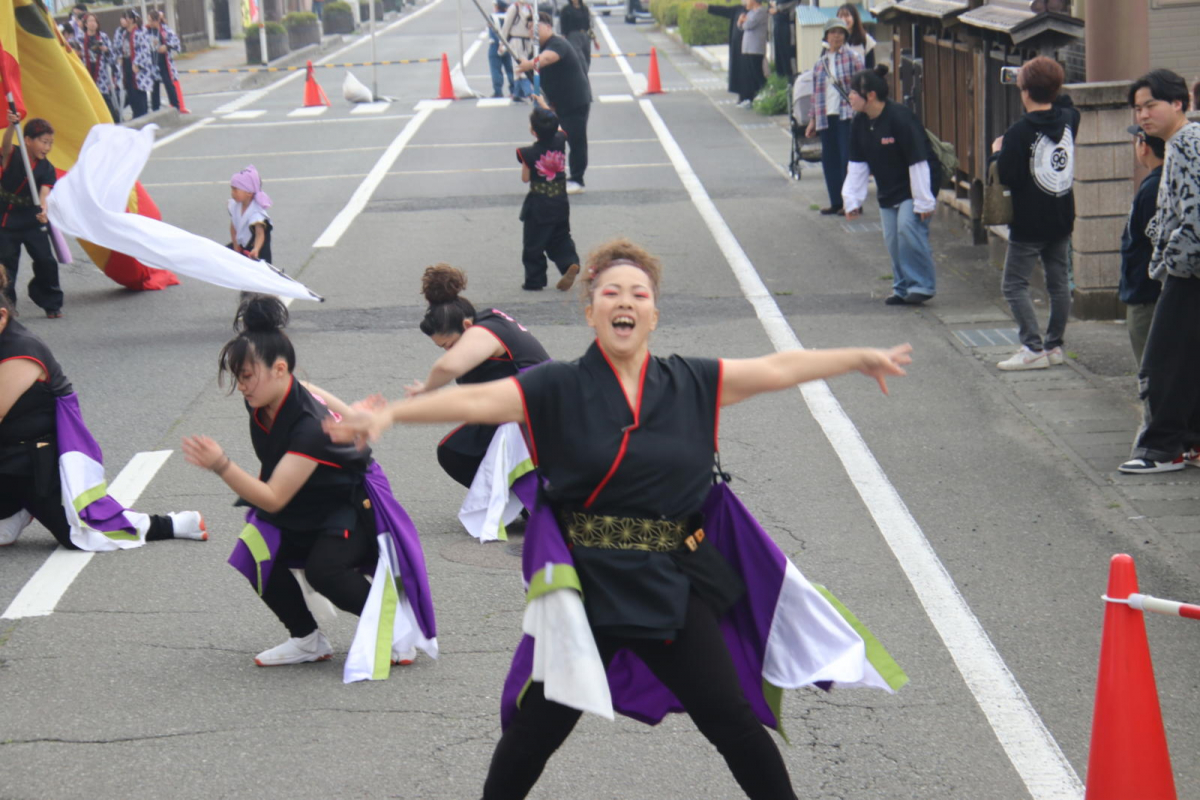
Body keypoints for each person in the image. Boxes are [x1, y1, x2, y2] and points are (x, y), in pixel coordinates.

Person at [326, 239, 912, 800]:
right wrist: (392, 416)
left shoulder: (693, 382)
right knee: (536, 731)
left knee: (731, 721)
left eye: (638, 292)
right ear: (591, 312)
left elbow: (777, 368)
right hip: (588, 592)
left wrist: (857, 358)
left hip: (674, 589)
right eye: (610, 292)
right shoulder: (557, 386)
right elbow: (476, 401)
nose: (625, 301)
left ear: (654, 313)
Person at [181, 295, 436, 668]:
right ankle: (306, 640)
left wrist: (222, 464)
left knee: (325, 571)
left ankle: (395, 627)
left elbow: (272, 498)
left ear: (279, 369)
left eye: (247, 376)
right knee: (255, 549)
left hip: (346, 504)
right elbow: (313, 387)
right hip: (307, 499)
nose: (242, 386)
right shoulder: (268, 395)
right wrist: (352, 415)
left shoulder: (308, 429)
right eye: (239, 377)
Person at [0, 270, 206, 550]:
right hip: (8, 457)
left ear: (2, 316)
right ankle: (14, 511)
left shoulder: (21, 351)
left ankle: (177, 524)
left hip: (36, 463)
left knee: (86, 532)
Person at [1119, 69, 1200, 474]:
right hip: (1189, 268)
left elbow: (1194, 214)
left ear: (1179, 103)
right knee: (1188, 359)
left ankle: (1162, 449)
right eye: (1138, 107)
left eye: (1151, 105)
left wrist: (1172, 261)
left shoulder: (1186, 142)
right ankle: (1189, 443)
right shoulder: (1184, 141)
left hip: (1190, 272)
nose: (1144, 115)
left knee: (1163, 360)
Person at [410, 264, 550, 488]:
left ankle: (521, 502)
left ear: (466, 325)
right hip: (525, 404)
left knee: (455, 451)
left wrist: (428, 388)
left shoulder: (481, 332)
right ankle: (514, 502)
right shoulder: (489, 318)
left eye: (449, 344)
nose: (449, 350)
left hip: (538, 410)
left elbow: (447, 368)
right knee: (462, 446)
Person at [991, 56, 1079, 371]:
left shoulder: (1018, 132)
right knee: (1058, 283)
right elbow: (1067, 102)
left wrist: (998, 151)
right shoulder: (1069, 119)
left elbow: (1008, 174)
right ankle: (1054, 345)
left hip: (1029, 221)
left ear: (1025, 91)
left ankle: (1032, 347)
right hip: (1061, 214)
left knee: (1014, 284)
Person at [842, 65, 937, 306]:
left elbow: (918, 160)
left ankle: (922, 285)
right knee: (892, 239)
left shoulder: (900, 117)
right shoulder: (859, 122)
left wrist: (924, 200)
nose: (850, 96)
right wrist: (852, 201)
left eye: (854, 92)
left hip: (914, 186)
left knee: (908, 228)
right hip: (887, 187)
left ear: (870, 95)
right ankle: (902, 288)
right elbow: (857, 163)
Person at [515, 13, 592, 195]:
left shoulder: (557, 43)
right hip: (557, 103)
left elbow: (547, 59)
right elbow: (537, 77)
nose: (532, 32)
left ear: (548, 27)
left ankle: (577, 179)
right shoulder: (536, 51)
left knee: (576, 139)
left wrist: (530, 64)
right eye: (529, 29)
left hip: (575, 100)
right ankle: (553, 176)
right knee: (554, 140)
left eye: (536, 27)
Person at [0, 115, 63, 319]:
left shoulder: (47, 168)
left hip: (31, 219)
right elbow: (6, 145)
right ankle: (7, 307)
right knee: (6, 265)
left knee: (46, 261)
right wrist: (12, 125)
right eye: (44, 142)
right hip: (6, 218)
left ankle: (50, 302)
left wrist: (44, 210)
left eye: (50, 143)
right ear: (28, 140)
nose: (47, 147)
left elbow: (44, 195)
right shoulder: (13, 154)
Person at [516, 102, 581, 291]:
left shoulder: (528, 153)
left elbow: (525, 178)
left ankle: (534, 280)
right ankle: (569, 262)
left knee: (533, 243)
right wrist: (543, 104)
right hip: (560, 200)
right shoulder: (560, 140)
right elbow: (558, 125)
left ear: (533, 131)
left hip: (539, 204)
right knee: (561, 236)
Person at [806, 17, 863, 215]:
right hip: (825, 115)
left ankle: (852, 203)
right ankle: (836, 202)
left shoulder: (853, 58)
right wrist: (812, 120)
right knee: (829, 160)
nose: (836, 36)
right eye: (833, 32)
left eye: (840, 32)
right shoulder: (820, 64)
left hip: (846, 115)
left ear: (845, 36)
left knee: (847, 158)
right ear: (826, 36)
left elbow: (862, 85)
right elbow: (815, 94)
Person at [1118, 125, 1164, 367]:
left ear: (1144, 147)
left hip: (1148, 297)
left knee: (1152, 374)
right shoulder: (1163, 183)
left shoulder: (1153, 189)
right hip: (1152, 295)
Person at [696, 0, 746, 100]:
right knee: (737, 71)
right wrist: (708, 7)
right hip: (736, 46)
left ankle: (748, 96)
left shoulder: (754, 12)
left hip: (747, 48)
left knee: (746, 72)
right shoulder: (738, 9)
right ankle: (741, 95)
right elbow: (724, 10)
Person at [78, 13, 121, 123]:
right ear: (86, 24)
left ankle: (114, 121)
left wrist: (105, 50)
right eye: (90, 21)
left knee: (105, 99)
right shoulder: (80, 39)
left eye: (95, 21)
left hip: (101, 74)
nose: (93, 24)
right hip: (86, 73)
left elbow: (112, 57)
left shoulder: (103, 37)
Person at [228, 165, 273, 265]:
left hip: (255, 250)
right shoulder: (235, 206)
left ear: (249, 192)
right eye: (232, 189)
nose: (232, 193)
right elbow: (233, 228)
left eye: (236, 190)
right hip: (241, 247)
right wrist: (235, 247)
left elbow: (259, 234)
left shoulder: (256, 212)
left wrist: (256, 249)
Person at [114, 10, 153, 120]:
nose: (123, 20)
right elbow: (119, 48)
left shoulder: (140, 32)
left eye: (125, 18)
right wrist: (120, 57)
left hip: (137, 65)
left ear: (131, 20)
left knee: (139, 91)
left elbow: (145, 50)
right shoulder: (123, 33)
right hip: (126, 64)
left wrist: (138, 64)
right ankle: (136, 114)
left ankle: (142, 115)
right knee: (130, 90)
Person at [499, 0, 537, 102]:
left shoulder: (530, 8)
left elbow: (533, 24)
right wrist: (502, 42)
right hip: (516, 40)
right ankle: (528, 92)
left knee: (521, 67)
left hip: (527, 41)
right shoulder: (514, 8)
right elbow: (506, 26)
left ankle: (517, 93)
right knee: (520, 67)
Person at [145, 10, 181, 113]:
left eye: (152, 21)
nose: (150, 23)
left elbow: (176, 42)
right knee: (154, 87)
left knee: (169, 84)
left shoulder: (165, 30)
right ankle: (155, 109)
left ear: (157, 20)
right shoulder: (146, 31)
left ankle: (175, 107)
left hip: (164, 62)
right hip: (152, 62)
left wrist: (167, 46)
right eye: (149, 20)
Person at [736, 0, 767, 108]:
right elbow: (740, 25)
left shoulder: (761, 11)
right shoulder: (750, 13)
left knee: (757, 73)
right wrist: (742, 20)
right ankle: (751, 98)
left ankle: (764, 94)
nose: (745, 2)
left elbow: (749, 25)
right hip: (747, 48)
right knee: (749, 74)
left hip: (756, 48)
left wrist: (743, 21)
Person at [560, 0, 598, 75]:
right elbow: (563, 26)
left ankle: (583, 77)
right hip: (573, 37)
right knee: (580, 59)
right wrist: (563, 38)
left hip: (585, 36)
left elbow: (588, 26)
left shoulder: (584, 8)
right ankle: (582, 77)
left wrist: (594, 39)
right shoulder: (566, 9)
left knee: (587, 59)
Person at [487, 0, 516, 99]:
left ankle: (498, 91)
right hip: (508, 45)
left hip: (495, 45)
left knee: (496, 69)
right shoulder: (509, 17)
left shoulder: (492, 17)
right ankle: (513, 90)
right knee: (510, 69)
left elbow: (493, 32)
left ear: (497, 7)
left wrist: (499, 44)